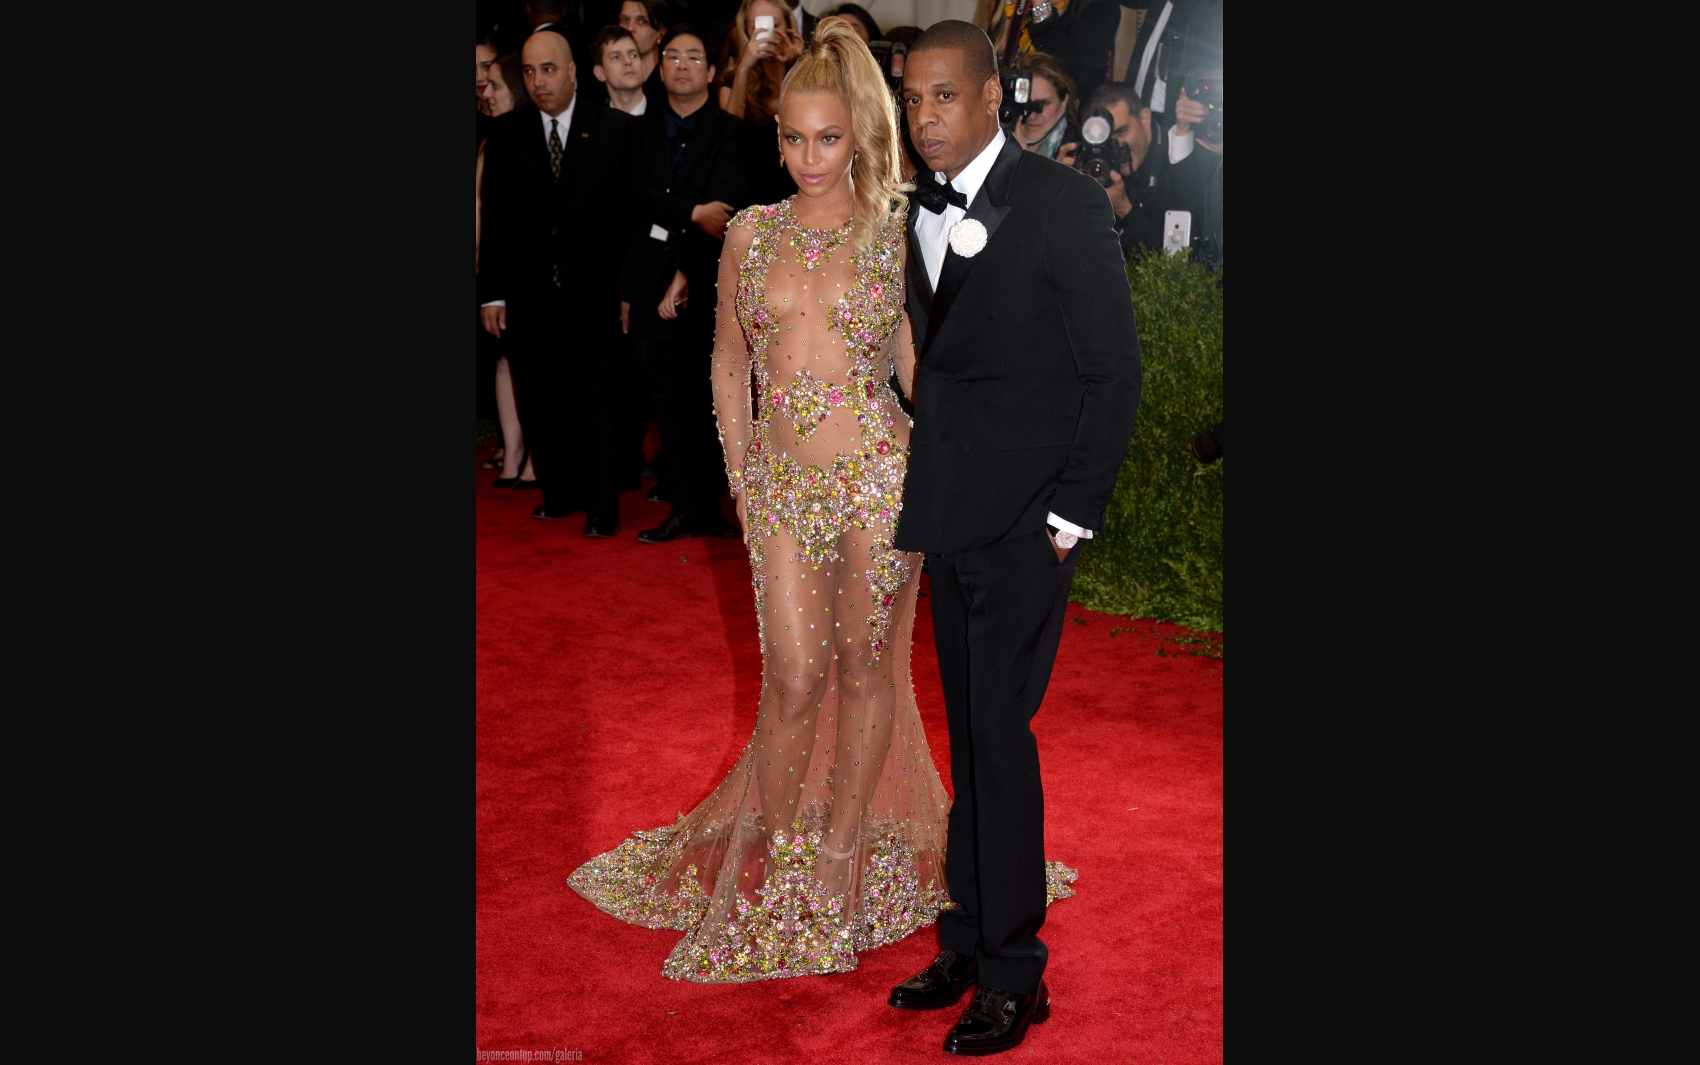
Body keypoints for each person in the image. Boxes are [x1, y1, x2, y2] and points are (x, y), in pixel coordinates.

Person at [568, 16, 1079, 991]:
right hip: (784, 494)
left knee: (864, 672)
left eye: (827, 138)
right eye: (792, 140)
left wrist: (1010, 421)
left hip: (881, 489)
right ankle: (792, 845)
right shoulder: (750, 237)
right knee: (794, 678)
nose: (808, 157)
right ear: (776, 139)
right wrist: (743, 476)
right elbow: (724, 366)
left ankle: (837, 861)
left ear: (857, 136)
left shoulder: (896, 235)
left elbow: (922, 374)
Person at [889, 20, 1139, 1055]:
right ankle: (965, 932)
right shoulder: (913, 207)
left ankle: (1013, 970)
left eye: (943, 97)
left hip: (1027, 527)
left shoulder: (1062, 204)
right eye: (911, 99)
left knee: (997, 735)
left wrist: (1065, 520)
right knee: (969, 734)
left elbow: (1110, 373)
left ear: (997, 96)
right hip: (949, 514)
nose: (925, 118)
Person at [479, 29, 633, 534]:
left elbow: (627, 221)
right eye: (528, 71)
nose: (538, 81)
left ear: (571, 71)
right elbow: (496, 221)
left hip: (596, 295)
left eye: (548, 69)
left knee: (598, 402)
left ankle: (602, 504)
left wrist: (629, 289)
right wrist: (493, 293)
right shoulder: (506, 136)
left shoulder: (611, 129)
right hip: (529, 296)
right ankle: (560, 491)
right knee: (542, 399)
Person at [615, 23, 749, 542]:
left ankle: (707, 505)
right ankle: (683, 503)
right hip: (648, 279)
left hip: (711, 280)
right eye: (673, 56)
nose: (684, 65)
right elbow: (634, 198)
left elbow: (728, 211)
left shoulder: (731, 131)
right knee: (662, 398)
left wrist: (687, 268)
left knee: (707, 399)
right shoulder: (638, 132)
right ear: (660, 66)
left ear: (712, 71)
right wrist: (691, 210)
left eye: (695, 57)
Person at [478, 53, 541, 488]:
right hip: (493, 264)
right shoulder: (491, 142)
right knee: (504, 360)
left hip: (527, 267)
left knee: (535, 360)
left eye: (496, 84)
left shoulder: (527, 140)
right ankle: (513, 451)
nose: (485, 90)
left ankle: (538, 454)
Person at [1058, 80, 1169, 254]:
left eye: (1122, 131)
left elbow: (1177, 263)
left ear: (1145, 118)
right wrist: (1059, 189)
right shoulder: (1095, 164)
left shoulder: (1178, 160)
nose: (1116, 146)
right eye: (1106, 140)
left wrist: (1123, 208)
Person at [1013, 50, 1078, 158]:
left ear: (1064, 101)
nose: (1032, 115)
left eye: (1043, 103)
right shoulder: (992, 141)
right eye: (1025, 103)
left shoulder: (1078, 150)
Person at [589, 24, 650, 113]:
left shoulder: (668, 120)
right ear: (600, 73)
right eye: (616, 57)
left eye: (633, 55)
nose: (628, 61)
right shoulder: (594, 124)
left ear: (643, 67)